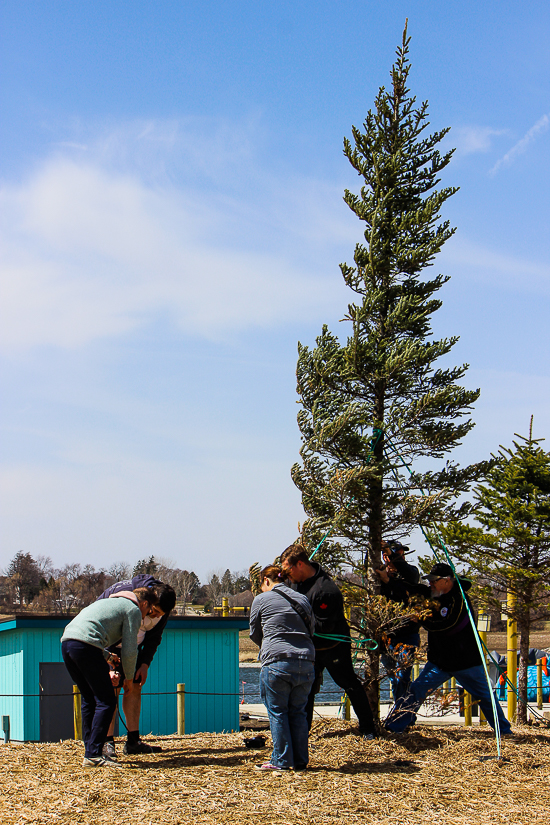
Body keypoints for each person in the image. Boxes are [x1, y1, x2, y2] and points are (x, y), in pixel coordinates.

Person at [384, 562, 512, 735]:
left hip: (467, 662)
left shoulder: (459, 600)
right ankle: (393, 727)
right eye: (429, 580)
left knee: (486, 698)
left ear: (446, 580)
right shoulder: (435, 595)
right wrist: (389, 581)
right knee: (416, 691)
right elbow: (414, 589)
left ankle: (503, 730)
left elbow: (449, 626)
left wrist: (421, 619)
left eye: (434, 580)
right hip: (440, 662)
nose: (431, 584)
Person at [280, 544, 376, 739]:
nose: (286, 576)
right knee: (305, 689)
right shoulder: (293, 582)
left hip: (333, 647)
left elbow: (324, 628)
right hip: (309, 648)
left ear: (300, 564)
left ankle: (368, 729)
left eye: (287, 570)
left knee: (348, 683)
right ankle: (302, 733)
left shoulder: (326, 590)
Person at [61, 587, 159, 767]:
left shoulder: (107, 602)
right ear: (144, 603)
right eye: (149, 610)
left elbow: (89, 632)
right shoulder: (132, 609)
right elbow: (130, 650)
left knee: (89, 699)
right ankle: (94, 755)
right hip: (86, 647)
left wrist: (106, 656)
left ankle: (90, 751)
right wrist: (128, 678)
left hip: (67, 643)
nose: (147, 615)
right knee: (106, 701)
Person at [97, 574, 176, 756]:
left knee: (134, 686)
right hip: (109, 643)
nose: (155, 616)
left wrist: (145, 664)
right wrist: (108, 660)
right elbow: (103, 621)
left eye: (159, 615)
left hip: (133, 647)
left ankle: (133, 741)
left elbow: (154, 637)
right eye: (153, 611)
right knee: (111, 689)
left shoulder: (162, 607)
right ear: (147, 600)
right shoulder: (123, 594)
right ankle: (107, 743)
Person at [249, 564, 316, 772]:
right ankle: (300, 760)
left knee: (278, 712)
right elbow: (312, 628)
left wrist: (268, 645)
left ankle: (281, 759)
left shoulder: (261, 599)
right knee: (298, 711)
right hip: (306, 661)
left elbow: (254, 632)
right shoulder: (302, 598)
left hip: (276, 661)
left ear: (266, 581)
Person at [375, 540, 422, 701]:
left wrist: (392, 556)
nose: (398, 558)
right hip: (386, 637)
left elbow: (408, 584)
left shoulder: (411, 574)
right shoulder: (378, 576)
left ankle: (402, 713)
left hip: (408, 635)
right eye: (394, 554)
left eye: (400, 554)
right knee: (394, 678)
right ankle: (401, 710)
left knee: (403, 676)